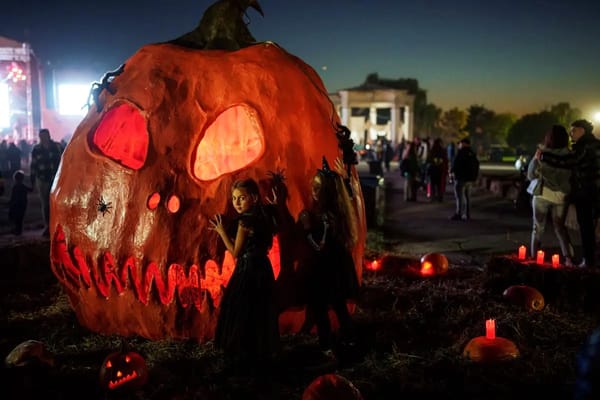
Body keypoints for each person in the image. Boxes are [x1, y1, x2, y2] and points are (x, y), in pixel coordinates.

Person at [209, 178, 280, 372]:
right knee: (260, 309)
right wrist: (274, 203)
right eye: (234, 199)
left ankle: (241, 354)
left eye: (242, 198)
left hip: (248, 268)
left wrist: (221, 231)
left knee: (241, 309)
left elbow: (236, 251)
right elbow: (273, 213)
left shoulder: (244, 222)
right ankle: (260, 352)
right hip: (263, 268)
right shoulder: (265, 215)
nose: (237, 203)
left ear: (254, 198)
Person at [298, 157, 359, 358]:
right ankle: (349, 340)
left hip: (326, 269)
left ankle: (327, 347)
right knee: (338, 305)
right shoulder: (339, 212)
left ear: (327, 192)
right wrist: (344, 180)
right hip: (337, 266)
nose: (313, 191)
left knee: (320, 307)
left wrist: (306, 228)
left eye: (318, 188)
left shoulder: (323, 217)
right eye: (313, 186)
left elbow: (319, 246)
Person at [540, 119, 600, 268]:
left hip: (587, 193)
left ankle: (589, 261)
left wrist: (545, 156)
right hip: (594, 192)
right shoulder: (595, 144)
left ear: (582, 131)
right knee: (590, 228)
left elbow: (568, 161)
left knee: (586, 229)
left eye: (573, 130)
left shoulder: (584, 147)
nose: (570, 134)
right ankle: (590, 259)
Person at [527, 125, 574, 266]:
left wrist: (535, 159)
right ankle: (569, 259)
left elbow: (530, 175)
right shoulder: (570, 156)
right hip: (561, 196)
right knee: (560, 227)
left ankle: (534, 259)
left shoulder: (542, 154)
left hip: (542, 194)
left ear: (549, 138)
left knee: (538, 228)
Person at [30, 129, 63, 237]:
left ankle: (58, 225)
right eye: (41, 136)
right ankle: (48, 226)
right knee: (45, 204)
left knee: (56, 203)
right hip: (43, 179)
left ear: (49, 136)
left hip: (57, 179)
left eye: (45, 136)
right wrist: (33, 181)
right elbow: (33, 166)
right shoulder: (37, 149)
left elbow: (65, 161)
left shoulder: (57, 147)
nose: (43, 138)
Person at [449, 138, 479, 221]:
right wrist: (475, 177)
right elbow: (476, 166)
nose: (459, 145)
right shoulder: (472, 153)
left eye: (460, 144)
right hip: (469, 179)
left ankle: (459, 213)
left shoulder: (461, 153)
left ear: (464, 144)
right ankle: (467, 214)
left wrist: (452, 172)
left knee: (459, 197)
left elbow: (455, 164)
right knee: (468, 197)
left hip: (460, 178)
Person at [9, 170, 32, 235]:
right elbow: (30, 190)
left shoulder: (15, 187)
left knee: (16, 218)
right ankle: (19, 230)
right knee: (20, 218)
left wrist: (10, 203)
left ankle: (17, 230)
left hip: (16, 204)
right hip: (23, 204)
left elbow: (13, 197)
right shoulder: (23, 186)